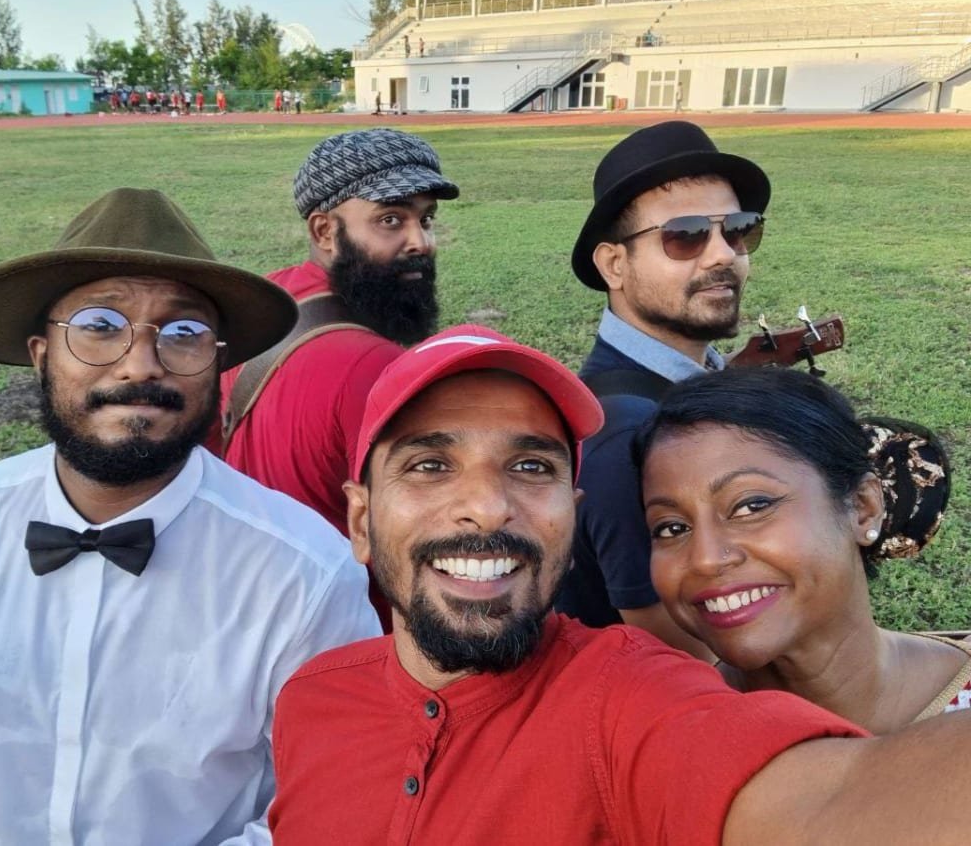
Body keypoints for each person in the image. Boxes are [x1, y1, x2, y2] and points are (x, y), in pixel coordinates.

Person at [0, 188, 380, 844]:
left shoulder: (305, 573)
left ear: (216, 363)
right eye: (99, 325)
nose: (140, 365)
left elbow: (328, 798)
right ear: (43, 355)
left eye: (183, 333)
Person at [269, 324, 971, 844]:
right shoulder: (309, 703)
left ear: (571, 521)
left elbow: (827, 802)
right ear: (359, 521)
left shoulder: (630, 700)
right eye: (429, 465)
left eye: (532, 467)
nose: (486, 506)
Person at [635, 366, 965, 733]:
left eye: (751, 506)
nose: (705, 559)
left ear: (863, 507)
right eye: (672, 528)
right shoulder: (671, 738)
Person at [218, 129, 458, 628]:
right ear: (325, 231)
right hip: (351, 627)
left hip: (249, 603)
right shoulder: (377, 370)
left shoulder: (268, 306)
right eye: (390, 220)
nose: (420, 242)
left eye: (425, 219)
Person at [555, 120, 770, 660]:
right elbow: (696, 664)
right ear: (614, 265)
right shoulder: (623, 436)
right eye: (686, 235)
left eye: (738, 230)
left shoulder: (682, 389)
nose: (723, 255)